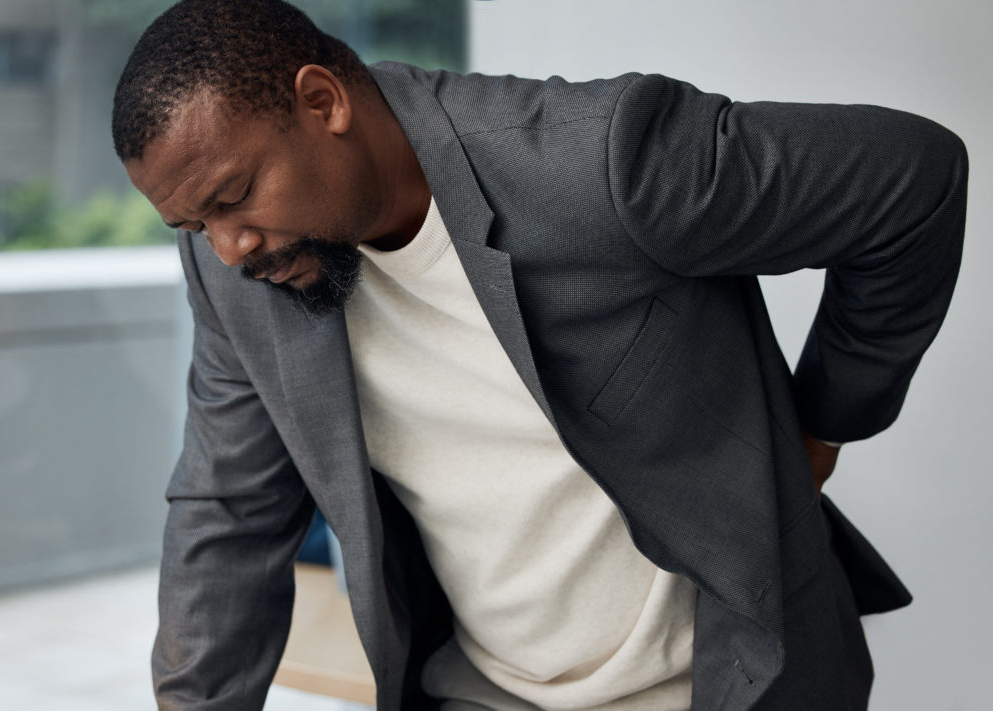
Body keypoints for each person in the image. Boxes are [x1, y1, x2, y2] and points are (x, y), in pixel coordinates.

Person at [112, 1, 968, 709]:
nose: (228, 247)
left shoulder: (603, 163)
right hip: (481, 688)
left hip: (722, 685)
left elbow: (913, 182)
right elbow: (226, 511)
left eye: (232, 197)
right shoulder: (239, 267)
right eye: (193, 225)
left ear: (323, 101)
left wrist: (822, 423)